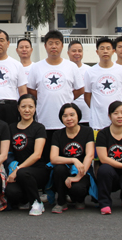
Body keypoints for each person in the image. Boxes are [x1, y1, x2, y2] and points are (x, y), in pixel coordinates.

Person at [27, 30, 85, 163]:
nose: (54, 46)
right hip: (45, 121)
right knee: (46, 159)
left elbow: (80, 89)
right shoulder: (36, 67)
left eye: (57, 43)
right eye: (50, 43)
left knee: (66, 159)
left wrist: (68, 98)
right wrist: (42, 97)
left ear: (62, 46)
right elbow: (30, 90)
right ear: (45, 46)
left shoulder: (71, 66)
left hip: (66, 122)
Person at [5, 94, 48, 216]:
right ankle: (26, 199)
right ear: (18, 108)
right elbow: (8, 152)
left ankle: (37, 202)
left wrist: (17, 170)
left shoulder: (39, 128)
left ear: (35, 108)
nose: (27, 110)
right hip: (18, 170)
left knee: (23, 173)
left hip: (37, 170)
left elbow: (37, 155)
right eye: (23, 106)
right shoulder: (11, 127)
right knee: (11, 192)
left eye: (30, 107)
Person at [50, 103, 95, 213]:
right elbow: (53, 158)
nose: (69, 119)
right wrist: (74, 160)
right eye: (65, 116)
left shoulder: (87, 131)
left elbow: (90, 155)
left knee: (78, 189)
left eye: (72, 115)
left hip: (82, 169)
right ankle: (61, 202)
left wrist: (78, 177)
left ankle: (79, 199)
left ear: (78, 115)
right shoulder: (57, 134)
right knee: (59, 169)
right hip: (64, 170)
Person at [83, 37, 122, 131]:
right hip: (98, 122)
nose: (105, 51)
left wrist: (117, 107)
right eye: (102, 48)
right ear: (97, 52)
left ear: (113, 51)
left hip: (119, 122)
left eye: (108, 48)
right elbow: (87, 96)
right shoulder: (90, 72)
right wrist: (96, 108)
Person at [67, 40, 91, 126]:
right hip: (69, 116)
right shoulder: (65, 69)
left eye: (80, 51)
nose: (77, 53)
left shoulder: (89, 70)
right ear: (68, 53)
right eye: (74, 51)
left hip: (87, 115)